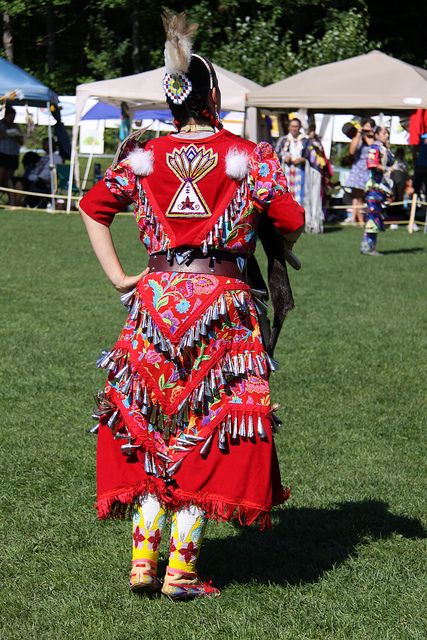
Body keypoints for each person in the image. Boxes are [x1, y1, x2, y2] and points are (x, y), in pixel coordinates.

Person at [79, 10, 304, 600]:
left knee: (150, 424)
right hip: (222, 306)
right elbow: (294, 221)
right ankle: (181, 569)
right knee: (207, 427)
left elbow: (92, 207)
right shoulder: (250, 157)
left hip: (153, 303)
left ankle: (143, 560)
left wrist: (118, 278)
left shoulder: (144, 157)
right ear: (213, 101)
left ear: (174, 104)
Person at [360, 126, 394, 256]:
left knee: (377, 216)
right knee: (373, 215)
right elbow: (371, 164)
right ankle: (368, 246)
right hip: (374, 186)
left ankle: (369, 245)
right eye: (384, 133)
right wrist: (386, 169)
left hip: (382, 187)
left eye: (387, 133)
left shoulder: (386, 149)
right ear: (377, 135)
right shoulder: (375, 148)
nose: (386, 135)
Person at [344, 117, 375, 226]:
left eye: (369, 126)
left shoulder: (373, 138)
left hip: (369, 169)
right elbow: (351, 151)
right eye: (365, 126)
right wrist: (358, 134)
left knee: (361, 196)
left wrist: (370, 136)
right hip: (358, 169)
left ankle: (357, 219)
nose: (367, 128)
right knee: (357, 194)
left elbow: (373, 147)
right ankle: (357, 219)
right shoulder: (358, 138)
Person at [302, 124, 333, 233]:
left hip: (316, 173)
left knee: (315, 199)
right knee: (306, 198)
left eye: (312, 130)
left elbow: (323, 160)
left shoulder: (317, 143)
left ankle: (315, 224)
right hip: (305, 172)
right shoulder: (303, 142)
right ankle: (306, 223)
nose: (311, 132)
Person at [275, 117, 307, 206]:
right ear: (289, 127)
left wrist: (303, 160)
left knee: (299, 197)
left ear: (300, 127)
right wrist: (283, 158)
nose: (294, 128)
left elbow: (311, 157)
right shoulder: (283, 140)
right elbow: (275, 154)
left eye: (296, 126)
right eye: (292, 126)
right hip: (286, 172)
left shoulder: (305, 141)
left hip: (300, 173)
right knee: (286, 194)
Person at [0, 106, 24, 200]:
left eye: (13, 117)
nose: (12, 119)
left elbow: (21, 142)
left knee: (8, 179)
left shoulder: (16, 126)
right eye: (10, 117)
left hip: (13, 155)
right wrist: (6, 133)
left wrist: (17, 136)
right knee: (1, 178)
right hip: (2, 154)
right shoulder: (0, 124)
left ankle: (12, 199)